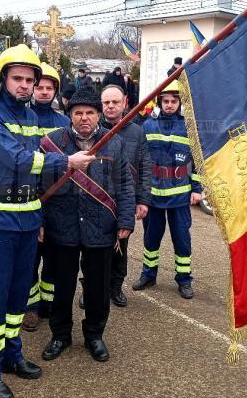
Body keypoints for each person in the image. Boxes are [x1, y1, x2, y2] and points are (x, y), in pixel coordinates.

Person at [0, 44, 95, 398]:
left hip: (26, 219)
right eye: (18, 79)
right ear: (3, 79)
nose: (25, 86)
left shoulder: (29, 117)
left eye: (30, 79)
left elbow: (34, 164)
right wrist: (67, 162)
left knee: (17, 298)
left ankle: (12, 356)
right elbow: (17, 160)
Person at [40, 87, 135, 363]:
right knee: (62, 286)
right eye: (78, 113)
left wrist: (126, 219)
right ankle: (60, 335)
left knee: (97, 288)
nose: (84, 118)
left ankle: (94, 335)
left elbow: (125, 186)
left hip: (100, 227)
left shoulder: (114, 143)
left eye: (90, 113)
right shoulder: (52, 142)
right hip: (62, 226)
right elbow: (40, 185)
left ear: (98, 115)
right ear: (69, 115)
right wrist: (40, 221)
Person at [133, 80, 202, 299]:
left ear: (180, 103)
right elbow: (140, 160)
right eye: (166, 100)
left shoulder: (189, 127)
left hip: (180, 195)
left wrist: (197, 188)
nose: (170, 104)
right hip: (153, 195)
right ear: (159, 101)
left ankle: (184, 279)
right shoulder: (147, 126)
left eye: (174, 101)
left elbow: (197, 160)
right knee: (151, 238)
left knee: (181, 238)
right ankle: (148, 275)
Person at [22, 63, 70, 332]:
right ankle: (30, 306)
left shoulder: (64, 122)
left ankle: (49, 304)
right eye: (39, 87)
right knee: (30, 258)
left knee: (56, 257)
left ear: (55, 91)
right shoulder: (23, 118)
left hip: (58, 200)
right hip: (30, 197)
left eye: (49, 88)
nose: (43, 91)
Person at [100, 85, 151, 307]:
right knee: (93, 250)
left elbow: (145, 166)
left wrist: (143, 200)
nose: (110, 107)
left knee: (121, 245)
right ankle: (91, 288)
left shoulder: (137, 132)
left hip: (125, 199)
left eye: (115, 102)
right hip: (98, 198)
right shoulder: (92, 129)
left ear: (125, 103)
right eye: (106, 103)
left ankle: (115, 287)